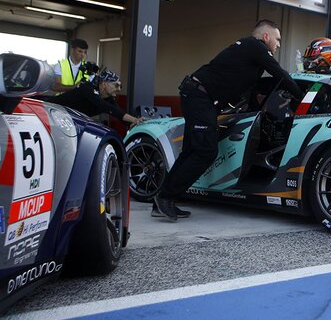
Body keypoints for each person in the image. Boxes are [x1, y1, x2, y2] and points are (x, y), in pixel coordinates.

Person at [153, 19, 303, 221]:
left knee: (191, 151)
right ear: (266, 37)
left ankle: (164, 199)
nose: (279, 44)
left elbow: (249, 90)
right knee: (206, 151)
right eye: (277, 39)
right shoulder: (255, 46)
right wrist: (302, 97)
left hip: (197, 96)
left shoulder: (250, 56)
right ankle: (165, 197)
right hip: (200, 96)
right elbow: (280, 73)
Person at [42, 70, 143, 126]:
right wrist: (133, 119)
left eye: (120, 86)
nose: (118, 89)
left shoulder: (108, 98)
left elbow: (118, 113)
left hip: (63, 119)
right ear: (103, 84)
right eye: (116, 85)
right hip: (46, 107)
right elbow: (106, 107)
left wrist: (137, 122)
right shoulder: (87, 88)